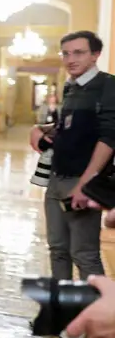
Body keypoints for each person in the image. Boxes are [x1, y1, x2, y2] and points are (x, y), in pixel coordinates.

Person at [29, 30, 115, 282]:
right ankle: (62, 313)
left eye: (79, 52)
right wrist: (39, 129)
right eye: (65, 53)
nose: (70, 59)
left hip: (82, 179)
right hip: (56, 178)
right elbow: (67, 125)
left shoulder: (108, 85)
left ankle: (97, 318)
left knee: (84, 254)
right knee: (58, 250)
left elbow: (109, 137)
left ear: (95, 54)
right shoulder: (71, 87)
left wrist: (85, 185)